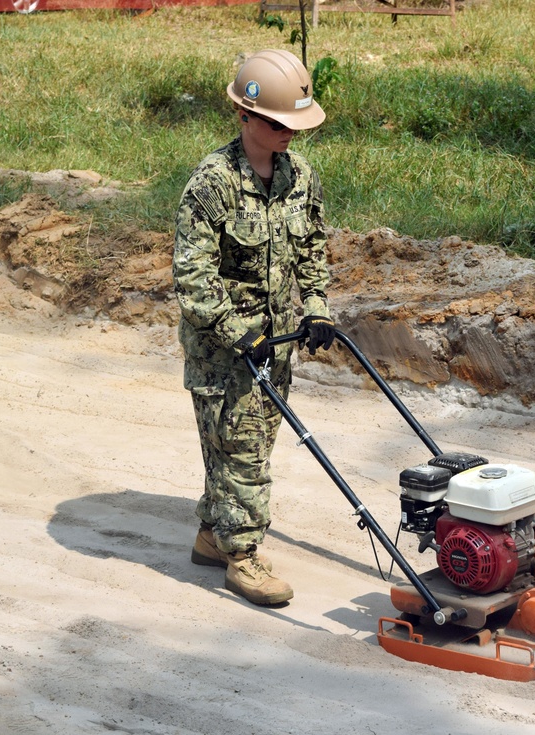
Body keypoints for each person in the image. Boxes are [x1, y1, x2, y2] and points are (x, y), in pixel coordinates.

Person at [172, 49, 337, 606]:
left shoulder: (300, 177)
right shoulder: (210, 185)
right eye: (276, 123)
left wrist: (316, 306)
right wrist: (235, 328)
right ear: (245, 116)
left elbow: (312, 247)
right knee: (241, 451)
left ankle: (211, 534)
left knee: (249, 443)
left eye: (294, 123)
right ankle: (242, 555)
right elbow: (192, 275)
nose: (288, 133)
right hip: (223, 349)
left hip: (275, 342)